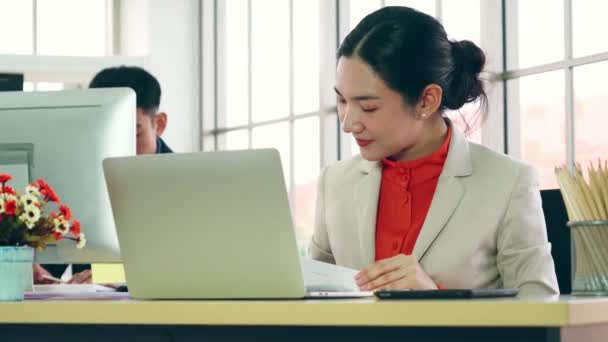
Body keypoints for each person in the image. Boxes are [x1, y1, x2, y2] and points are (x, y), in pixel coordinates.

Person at [309, 6, 559, 296]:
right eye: (341, 101)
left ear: (427, 101)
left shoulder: (507, 182)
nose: (349, 123)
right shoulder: (335, 182)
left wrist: (438, 299)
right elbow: (311, 296)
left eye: (368, 107)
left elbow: (541, 309)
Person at [34, 66, 173, 284]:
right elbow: (55, 260)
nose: (118, 147)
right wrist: (38, 271)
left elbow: (182, 266)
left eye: (134, 133)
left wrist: (110, 277)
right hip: (91, 310)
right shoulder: (77, 180)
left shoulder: (182, 184)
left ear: (160, 124)